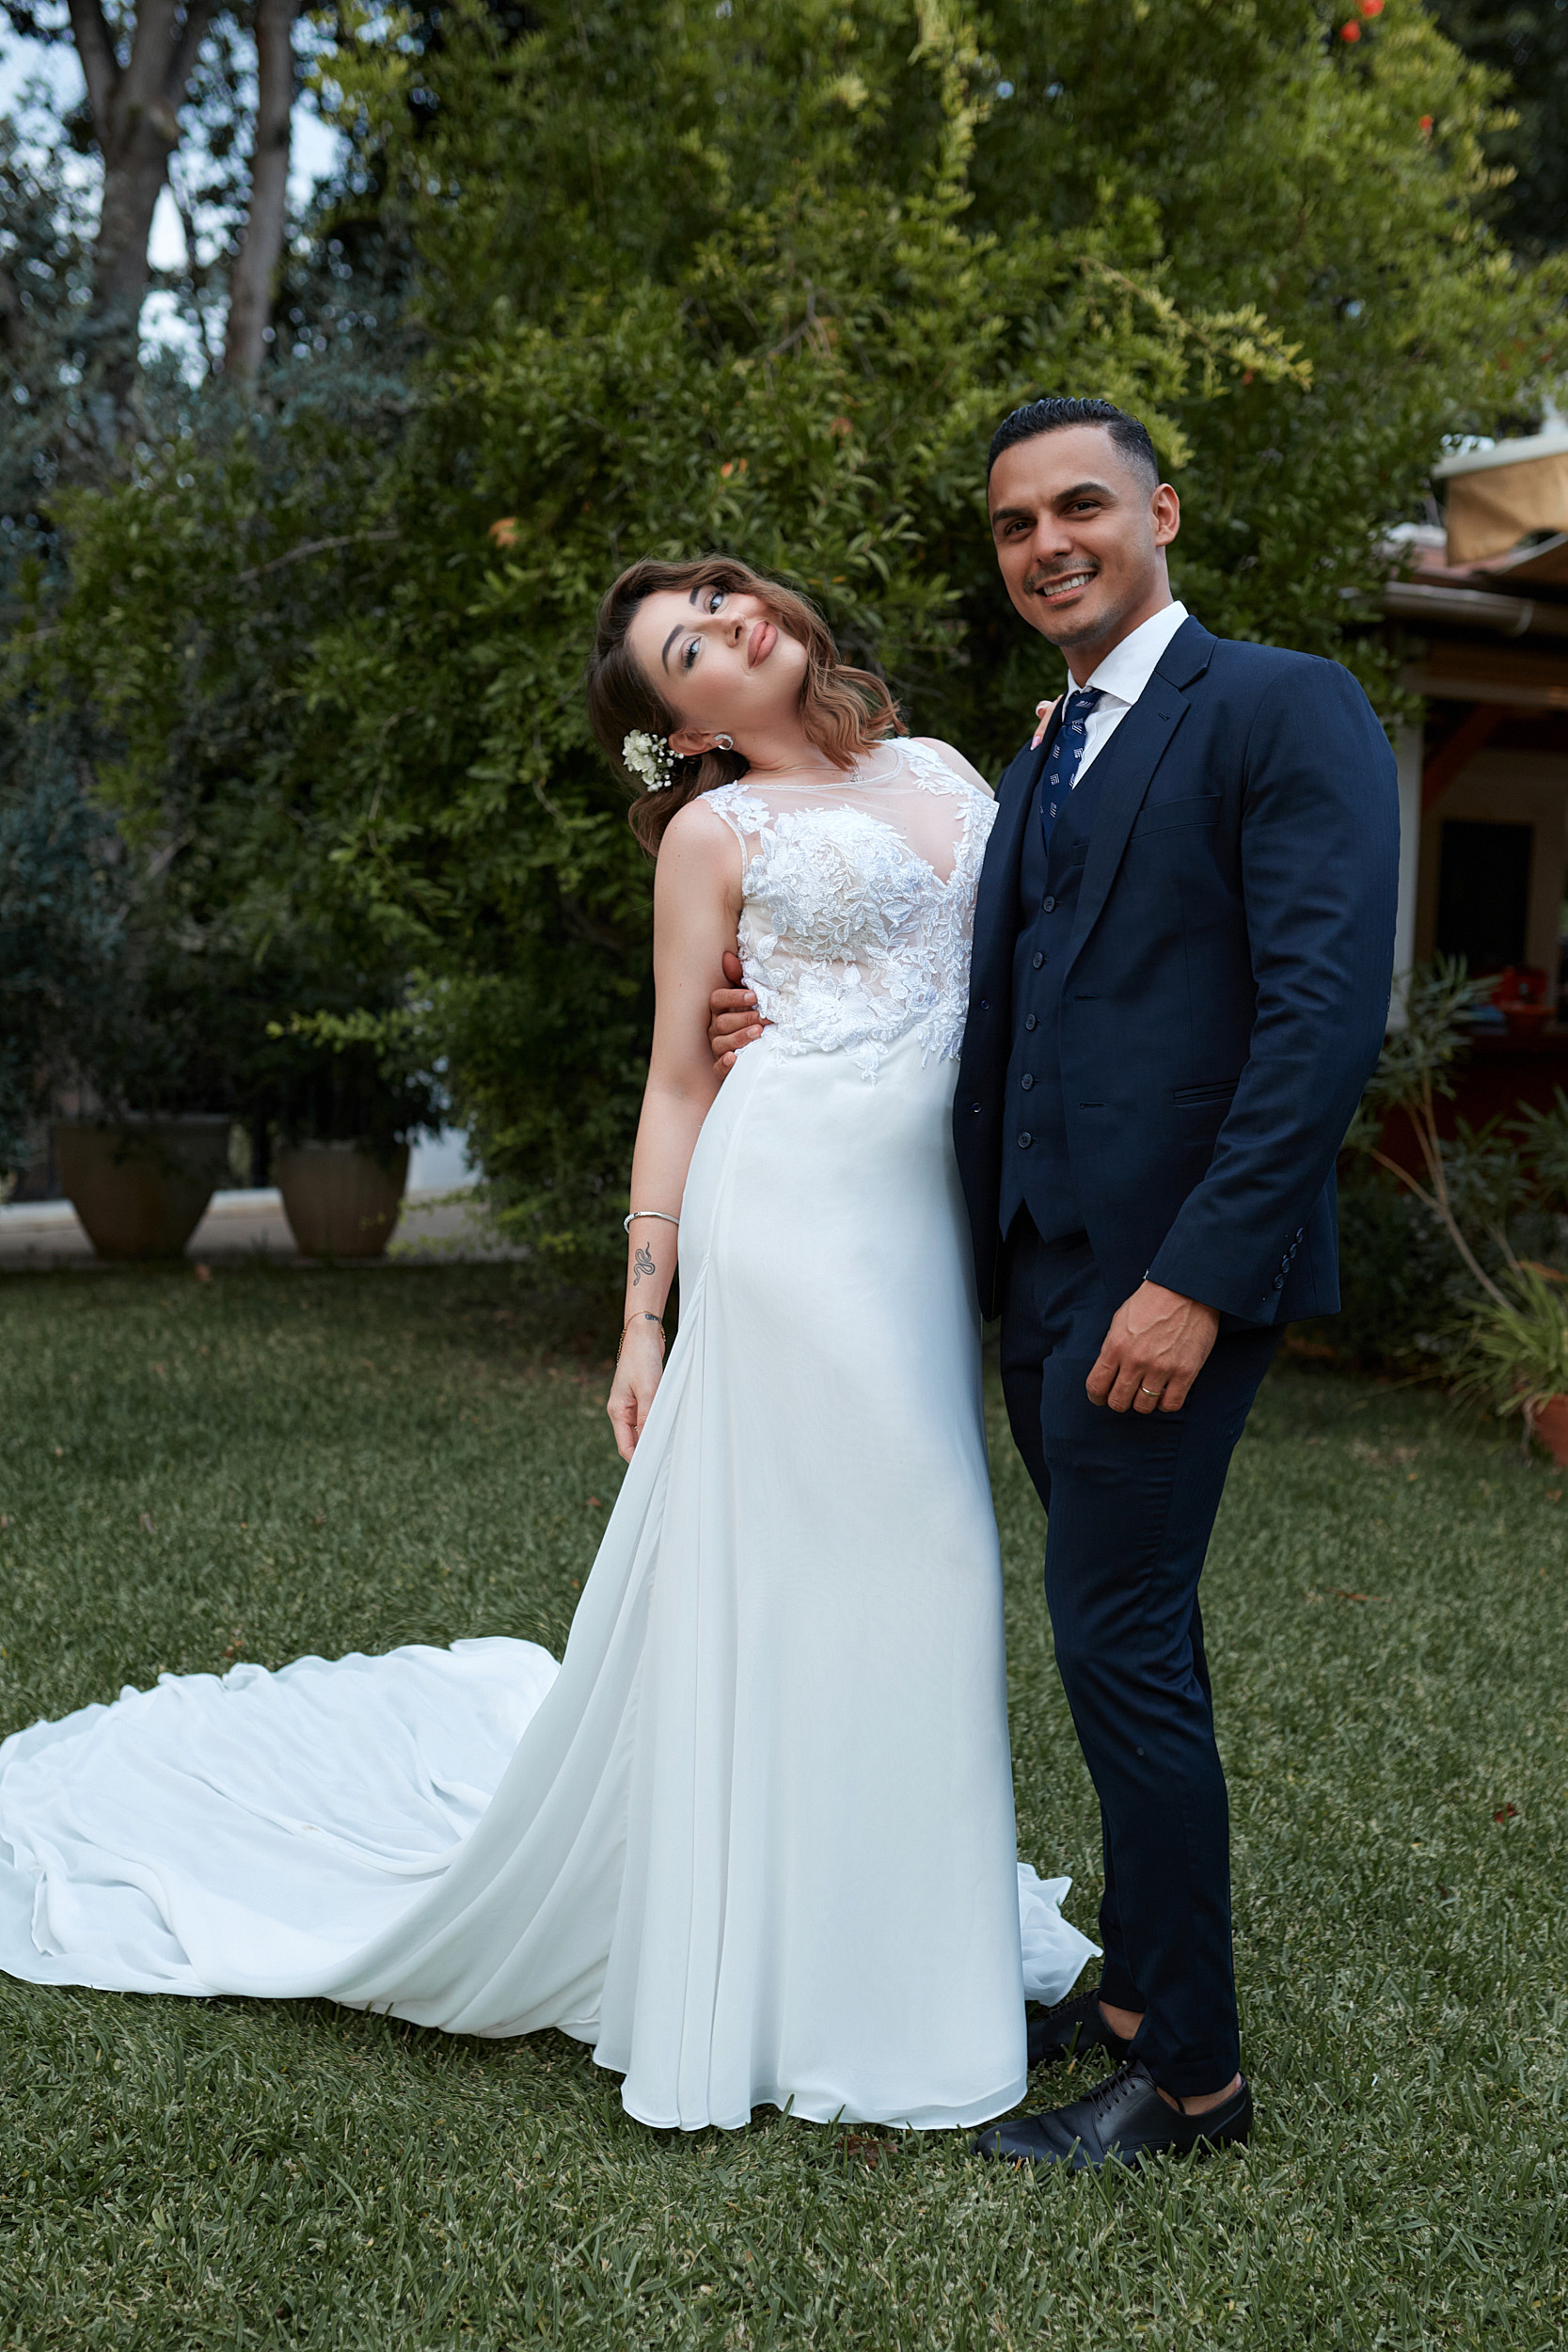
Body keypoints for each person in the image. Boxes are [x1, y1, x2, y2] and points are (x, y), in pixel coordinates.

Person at [0, 554, 1095, 2137]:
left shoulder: (942, 767)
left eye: (717, 597)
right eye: (687, 649)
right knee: (909, 1549)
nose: (727, 623)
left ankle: (890, 1948)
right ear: (684, 732)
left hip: (923, 1226)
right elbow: (676, 1081)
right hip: (795, 1219)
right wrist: (643, 1320)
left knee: (913, 1575)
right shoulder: (716, 836)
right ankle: (837, 1994)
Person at [710, 398, 1401, 2168]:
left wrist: (1195, 1282)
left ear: (1162, 512)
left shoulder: (1281, 704)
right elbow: (981, 983)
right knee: (1120, 1633)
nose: (1047, 544)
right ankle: (1133, 1996)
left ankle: (1192, 2082)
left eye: (1080, 505)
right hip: (1034, 1274)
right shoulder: (1048, 754)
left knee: (1119, 1640)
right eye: (1015, 524)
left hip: (1163, 1284)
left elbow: (1322, 1020)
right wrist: (762, 1016)